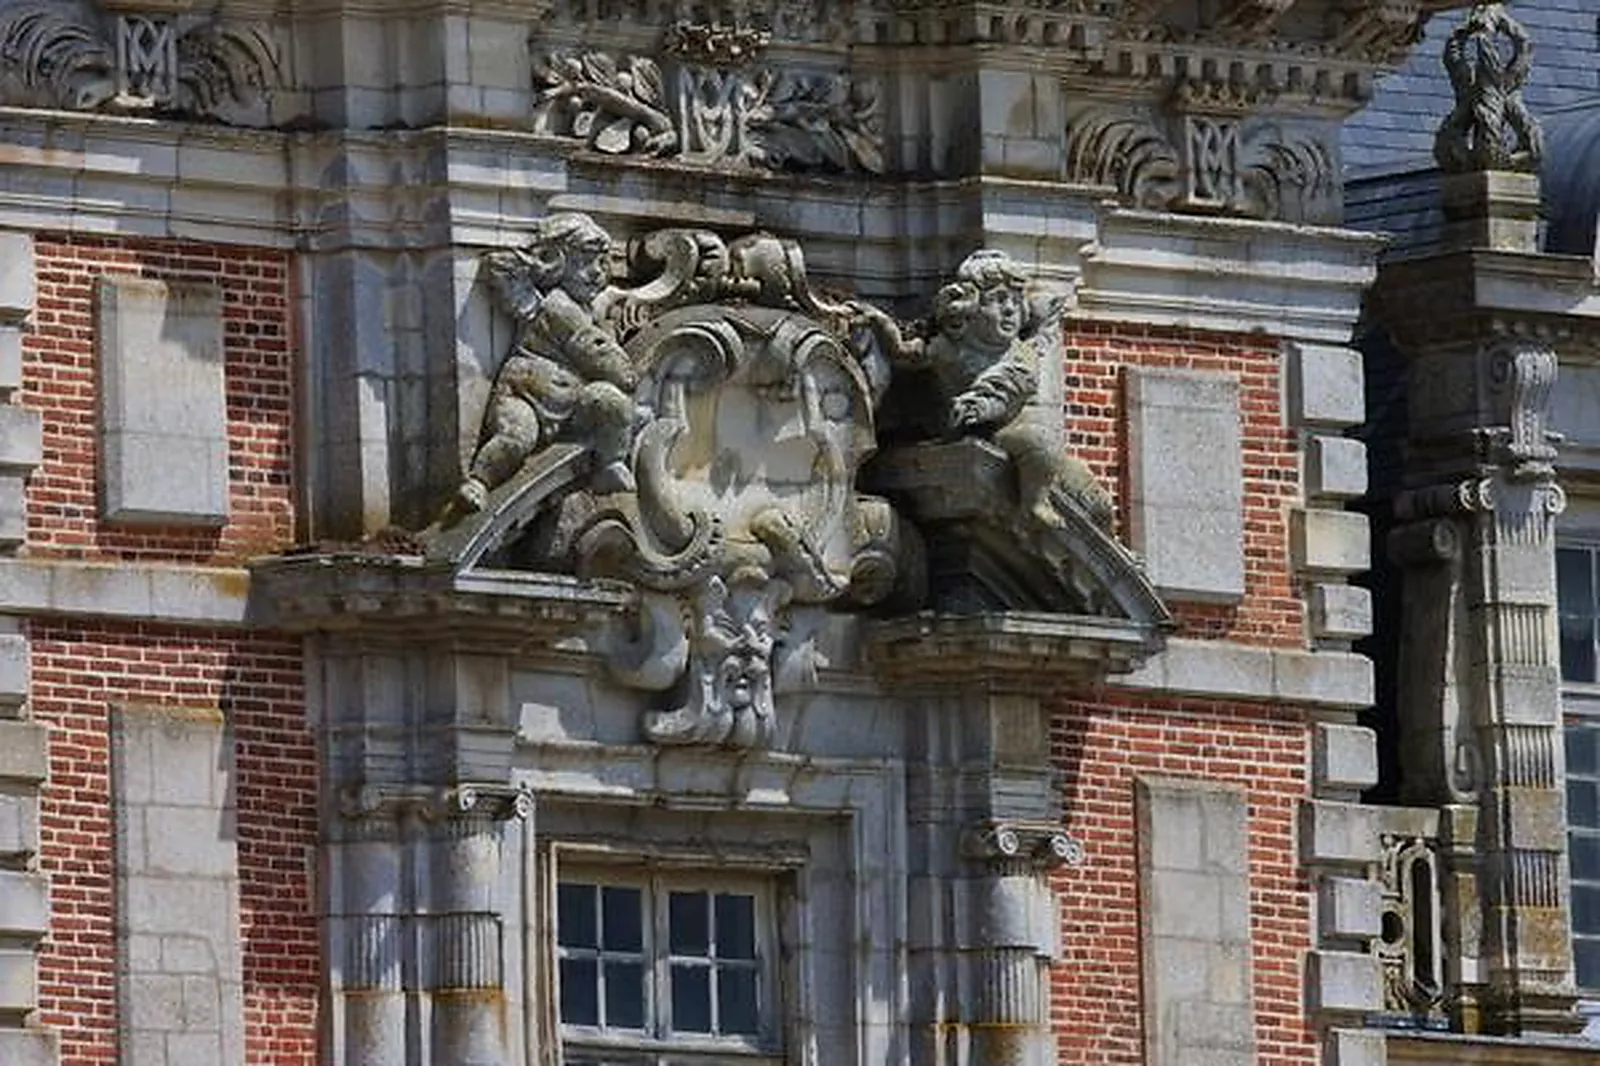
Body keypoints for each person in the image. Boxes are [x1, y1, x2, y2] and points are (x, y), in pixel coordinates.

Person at [858, 249, 1113, 529]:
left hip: (1005, 427)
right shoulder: (949, 348)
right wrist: (879, 323)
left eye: (1016, 301)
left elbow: (1004, 391)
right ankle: (1036, 504)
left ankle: (1037, 503)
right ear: (971, 308)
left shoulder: (1020, 356)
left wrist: (976, 408)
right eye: (998, 300)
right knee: (1038, 446)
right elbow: (906, 354)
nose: (1009, 310)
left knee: (1063, 468)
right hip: (976, 431)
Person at [452, 213, 639, 516]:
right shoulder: (558, 306)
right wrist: (628, 373)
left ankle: (610, 462)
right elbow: (597, 353)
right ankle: (480, 480)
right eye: (585, 261)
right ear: (557, 263)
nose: (596, 273)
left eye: (600, 263)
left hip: (569, 402)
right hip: (525, 397)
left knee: (610, 402)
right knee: (516, 437)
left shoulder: (584, 307)